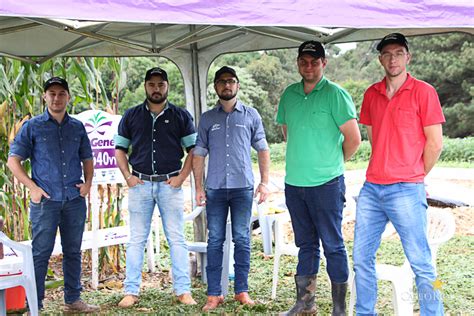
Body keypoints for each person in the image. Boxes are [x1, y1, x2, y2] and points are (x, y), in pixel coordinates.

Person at [353, 33, 445, 315]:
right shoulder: (371, 93)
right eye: (387, 54)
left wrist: (415, 174)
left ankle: (434, 312)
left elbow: (435, 143)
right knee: (360, 258)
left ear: (408, 57)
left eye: (398, 53)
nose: (393, 59)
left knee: (422, 261)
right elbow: (373, 136)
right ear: (381, 59)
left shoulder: (424, 91)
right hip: (372, 189)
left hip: (407, 188)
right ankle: (365, 312)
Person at [276, 41, 361, 315]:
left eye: (314, 61)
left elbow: (354, 139)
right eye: (304, 61)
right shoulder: (289, 94)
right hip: (295, 184)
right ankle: (305, 304)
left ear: (324, 63)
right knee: (306, 244)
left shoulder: (336, 94)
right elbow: (288, 133)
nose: (309, 66)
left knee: (333, 244)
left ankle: (339, 308)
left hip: (327, 184)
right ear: (298, 63)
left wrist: (331, 163)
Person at [7, 77, 99, 313]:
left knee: (73, 251)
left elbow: (87, 158)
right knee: (40, 254)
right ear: (45, 97)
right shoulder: (33, 126)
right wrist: (32, 188)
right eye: (52, 93)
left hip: (73, 200)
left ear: (68, 97)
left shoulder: (77, 127)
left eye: (61, 93)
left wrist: (88, 184)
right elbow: (13, 161)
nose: (56, 98)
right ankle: (34, 304)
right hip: (45, 202)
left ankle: (73, 300)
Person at [114, 67, 197, 307]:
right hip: (139, 185)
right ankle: (131, 291)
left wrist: (182, 177)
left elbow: (194, 150)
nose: (156, 89)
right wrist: (128, 176)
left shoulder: (181, 116)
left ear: (167, 86)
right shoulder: (131, 115)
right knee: (136, 240)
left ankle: (183, 290)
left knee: (177, 239)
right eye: (152, 84)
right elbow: (119, 150)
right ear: (145, 87)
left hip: (170, 185)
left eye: (161, 84)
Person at [193, 66, 270, 311]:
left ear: (237, 85)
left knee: (242, 239)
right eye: (222, 82)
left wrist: (264, 182)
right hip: (215, 188)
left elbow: (263, 149)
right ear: (215, 87)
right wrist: (197, 187)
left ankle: (242, 290)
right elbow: (198, 154)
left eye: (231, 81)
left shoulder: (251, 115)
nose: (227, 85)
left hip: (242, 188)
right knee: (215, 240)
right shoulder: (207, 119)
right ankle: (214, 294)